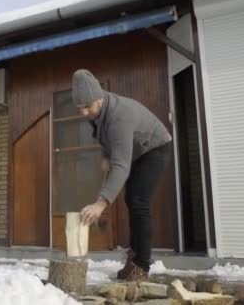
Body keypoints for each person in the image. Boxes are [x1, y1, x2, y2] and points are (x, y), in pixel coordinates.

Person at [73, 69, 172, 282]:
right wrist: (106, 155)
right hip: (136, 151)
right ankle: (134, 259)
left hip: (154, 148)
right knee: (131, 199)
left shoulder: (119, 115)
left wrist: (101, 204)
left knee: (138, 201)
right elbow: (109, 140)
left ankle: (142, 266)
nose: (83, 112)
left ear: (98, 98)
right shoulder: (98, 112)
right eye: (80, 108)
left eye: (87, 106)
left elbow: (121, 165)